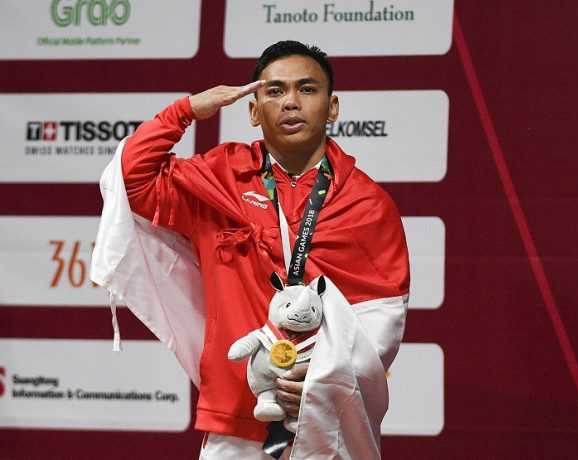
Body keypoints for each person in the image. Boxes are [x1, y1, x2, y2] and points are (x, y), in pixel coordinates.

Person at [114, 41, 409, 459]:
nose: (290, 102)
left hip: (330, 419)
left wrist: (323, 378)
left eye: (307, 89)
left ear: (332, 108)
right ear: (253, 111)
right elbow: (132, 179)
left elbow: (381, 319)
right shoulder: (218, 177)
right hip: (237, 418)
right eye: (274, 91)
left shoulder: (367, 203)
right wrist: (187, 110)